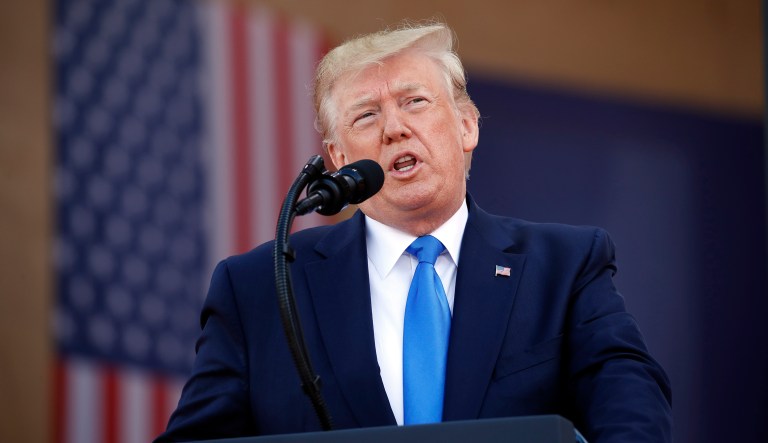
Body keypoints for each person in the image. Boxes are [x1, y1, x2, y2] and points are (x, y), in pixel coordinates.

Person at [157, 21, 672, 442]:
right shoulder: (261, 288)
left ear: (467, 126)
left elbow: (630, 401)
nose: (394, 128)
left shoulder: (563, 264)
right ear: (338, 160)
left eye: (415, 102)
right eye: (366, 115)